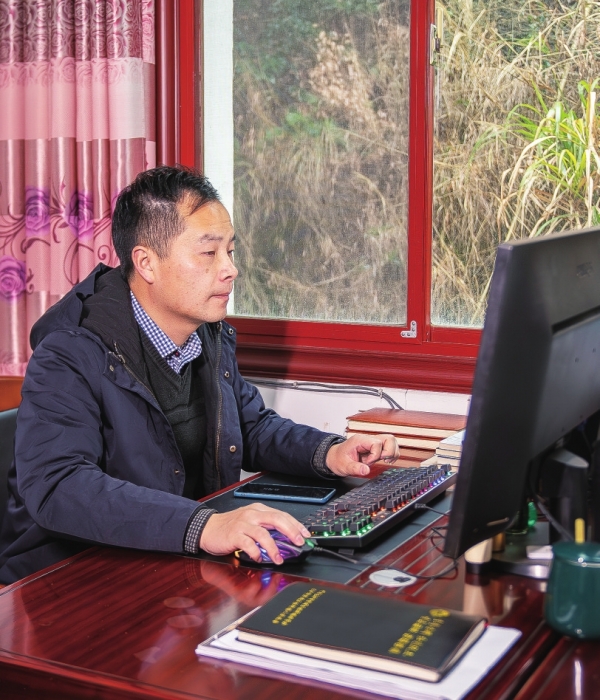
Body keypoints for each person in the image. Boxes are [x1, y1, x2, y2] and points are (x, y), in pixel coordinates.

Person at [0, 166, 399, 584]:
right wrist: (205, 525)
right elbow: (59, 486)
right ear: (147, 263)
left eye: (231, 251)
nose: (230, 269)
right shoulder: (69, 352)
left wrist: (330, 453)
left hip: (164, 558)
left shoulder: (206, 334)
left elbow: (250, 427)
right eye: (209, 253)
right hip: (67, 575)